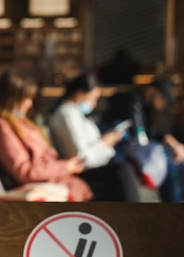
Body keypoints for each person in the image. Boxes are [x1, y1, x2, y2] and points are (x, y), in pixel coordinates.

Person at [0, 70, 93, 202]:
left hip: (58, 181)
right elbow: (24, 172)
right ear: (11, 98)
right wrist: (66, 167)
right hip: (46, 186)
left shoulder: (21, 123)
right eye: (25, 98)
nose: (30, 104)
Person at [101, 75, 184, 202]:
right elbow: (140, 137)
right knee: (167, 157)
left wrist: (172, 142)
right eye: (163, 99)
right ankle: (174, 207)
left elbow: (149, 134)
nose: (163, 104)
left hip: (133, 150)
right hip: (122, 151)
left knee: (177, 161)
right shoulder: (133, 101)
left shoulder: (145, 107)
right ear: (151, 91)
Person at [47, 73, 142, 201]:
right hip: (80, 169)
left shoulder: (76, 114)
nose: (94, 104)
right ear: (80, 94)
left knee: (125, 166)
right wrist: (104, 143)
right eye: (92, 98)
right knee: (122, 170)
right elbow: (81, 156)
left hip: (93, 164)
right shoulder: (66, 114)